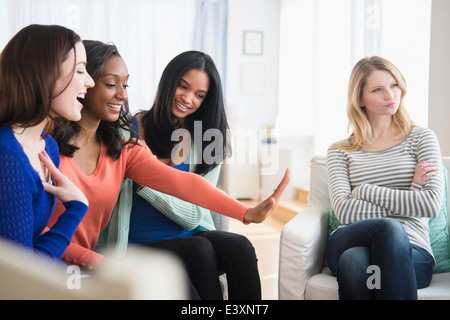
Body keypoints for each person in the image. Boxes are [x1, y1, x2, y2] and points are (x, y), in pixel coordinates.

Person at [48, 41, 290, 279]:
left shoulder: (123, 149)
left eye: (126, 84)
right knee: (198, 252)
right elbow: (37, 233)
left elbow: (184, 183)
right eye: (112, 84)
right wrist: (103, 263)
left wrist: (246, 212)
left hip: (88, 266)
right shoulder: (46, 146)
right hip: (54, 265)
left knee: (228, 249)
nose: (123, 95)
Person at [103, 50, 263, 299]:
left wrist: (147, 181)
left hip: (190, 237)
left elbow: (194, 217)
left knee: (239, 246)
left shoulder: (206, 139)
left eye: (199, 95)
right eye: (182, 86)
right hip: (139, 244)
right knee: (198, 248)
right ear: (168, 82)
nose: (188, 99)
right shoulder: (126, 131)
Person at [326, 56, 445, 299]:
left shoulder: (422, 139)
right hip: (350, 237)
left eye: (394, 85)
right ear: (360, 99)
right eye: (378, 89)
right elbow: (345, 212)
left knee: (355, 262)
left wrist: (366, 191)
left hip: (413, 251)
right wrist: (412, 193)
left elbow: (431, 204)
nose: (390, 96)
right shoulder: (340, 151)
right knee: (388, 227)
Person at [0, 24, 93, 264]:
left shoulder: (48, 146)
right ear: (45, 74)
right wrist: (76, 209)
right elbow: (19, 277)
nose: (90, 82)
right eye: (81, 71)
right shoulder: (7, 156)